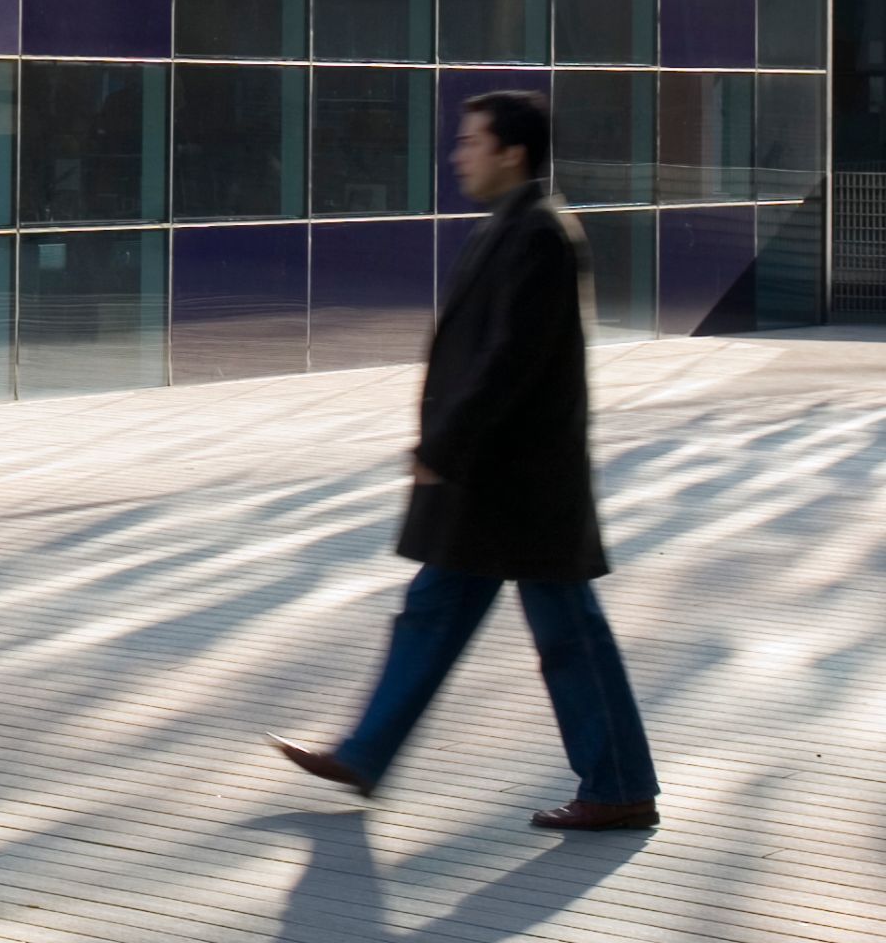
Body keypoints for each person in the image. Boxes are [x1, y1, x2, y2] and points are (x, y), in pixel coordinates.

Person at [268, 91, 661, 831]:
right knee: (435, 613)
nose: (458, 154)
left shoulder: (539, 233)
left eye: (472, 142)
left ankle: (619, 787)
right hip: (499, 483)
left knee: (565, 634)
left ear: (512, 152)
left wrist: (443, 446)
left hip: (516, 483)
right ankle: (365, 753)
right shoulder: (514, 228)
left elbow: (509, 360)